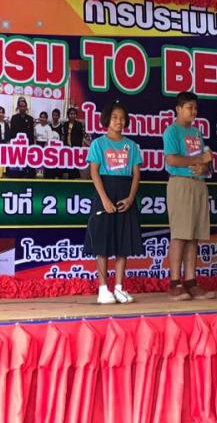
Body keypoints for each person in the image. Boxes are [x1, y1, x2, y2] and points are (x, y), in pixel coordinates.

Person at [85, 100, 144, 304]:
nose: (119, 121)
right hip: (105, 193)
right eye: (115, 117)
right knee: (102, 243)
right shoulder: (98, 144)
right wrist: (104, 199)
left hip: (125, 194)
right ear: (107, 120)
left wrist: (130, 198)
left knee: (122, 243)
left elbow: (136, 175)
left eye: (122, 118)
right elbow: (94, 172)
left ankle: (119, 288)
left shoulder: (132, 146)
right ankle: (103, 289)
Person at [163, 91, 214, 301]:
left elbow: (206, 161)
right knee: (180, 234)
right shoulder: (172, 131)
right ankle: (175, 282)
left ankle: (191, 281)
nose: (193, 111)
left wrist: (205, 167)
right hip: (181, 183)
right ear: (178, 109)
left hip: (198, 183)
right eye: (189, 107)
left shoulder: (197, 133)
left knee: (194, 235)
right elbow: (172, 159)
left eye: (195, 107)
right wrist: (199, 160)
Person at [9, 98, 36, 179]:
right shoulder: (14, 118)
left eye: (24, 106)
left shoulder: (30, 119)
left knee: (27, 164)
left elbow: (31, 134)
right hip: (17, 145)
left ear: (26, 107)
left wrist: (31, 146)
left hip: (27, 145)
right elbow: (12, 133)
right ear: (18, 107)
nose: (22, 108)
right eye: (20, 106)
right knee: (18, 165)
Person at [61, 106, 86, 179]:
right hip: (67, 145)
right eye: (71, 114)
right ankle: (69, 176)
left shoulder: (79, 124)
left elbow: (81, 136)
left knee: (75, 162)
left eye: (74, 114)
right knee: (68, 162)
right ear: (68, 115)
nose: (72, 115)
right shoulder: (65, 124)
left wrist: (80, 146)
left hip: (76, 146)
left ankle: (75, 177)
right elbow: (64, 135)